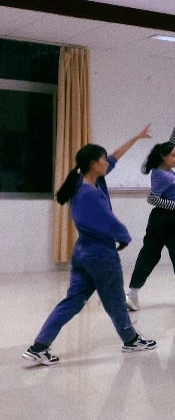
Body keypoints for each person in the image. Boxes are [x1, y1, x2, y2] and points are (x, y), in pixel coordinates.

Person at [22, 127, 157, 366]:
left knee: (72, 301)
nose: (107, 162)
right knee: (115, 300)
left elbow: (115, 156)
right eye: (103, 160)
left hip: (82, 252)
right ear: (94, 164)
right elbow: (108, 221)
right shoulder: (89, 194)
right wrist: (124, 237)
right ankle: (131, 340)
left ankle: (38, 347)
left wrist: (136, 138)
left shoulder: (86, 181)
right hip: (100, 254)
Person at [126, 106, 175, 311]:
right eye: (173, 156)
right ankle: (134, 294)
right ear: (164, 157)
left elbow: (172, 143)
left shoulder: (164, 169)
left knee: (158, 254)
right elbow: (152, 199)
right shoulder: (161, 175)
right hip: (167, 219)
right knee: (172, 255)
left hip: (162, 219)